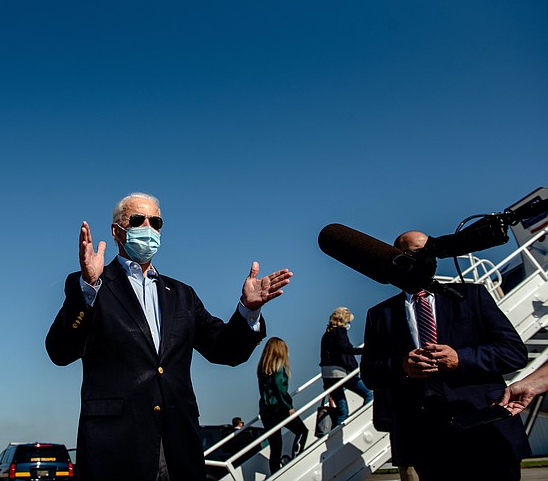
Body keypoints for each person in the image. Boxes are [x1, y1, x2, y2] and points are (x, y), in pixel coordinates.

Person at [45, 192, 293, 481]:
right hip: (115, 447)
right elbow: (59, 352)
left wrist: (248, 311)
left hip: (179, 445)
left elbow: (225, 350)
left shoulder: (182, 295)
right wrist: (88, 288)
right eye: (137, 220)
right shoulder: (93, 287)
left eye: (156, 222)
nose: (148, 228)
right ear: (117, 231)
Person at [360, 230, 530, 481]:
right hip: (425, 437)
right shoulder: (380, 314)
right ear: (395, 257)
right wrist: (402, 366)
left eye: (427, 250)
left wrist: (461, 358)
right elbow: (370, 374)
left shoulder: (471, 296)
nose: (422, 257)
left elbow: (514, 352)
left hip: (486, 428)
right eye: (412, 252)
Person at [257, 337, 308, 473]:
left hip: (266, 411)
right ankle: (296, 458)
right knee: (302, 431)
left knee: (275, 447)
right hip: (279, 408)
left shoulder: (263, 367)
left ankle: (275, 474)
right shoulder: (278, 368)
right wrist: (289, 406)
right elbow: (280, 389)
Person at [319, 306, 373, 424]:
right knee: (369, 394)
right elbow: (345, 349)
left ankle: (336, 434)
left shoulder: (327, 334)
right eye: (348, 321)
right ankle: (360, 420)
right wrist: (365, 350)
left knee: (342, 410)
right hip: (340, 373)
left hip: (327, 375)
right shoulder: (339, 331)